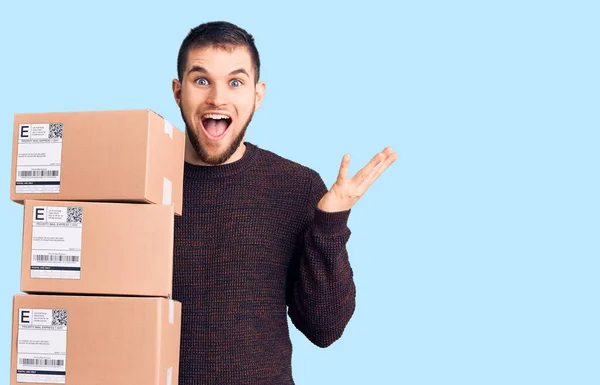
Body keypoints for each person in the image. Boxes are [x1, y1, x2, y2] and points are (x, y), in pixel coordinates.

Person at [170, 20, 398, 384]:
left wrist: (330, 223)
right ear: (178, 92)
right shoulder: (139, 186)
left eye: (235, 82)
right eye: (201, 81)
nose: (217, 98)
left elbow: (325, 329)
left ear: (257, 96)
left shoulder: (296, 187)